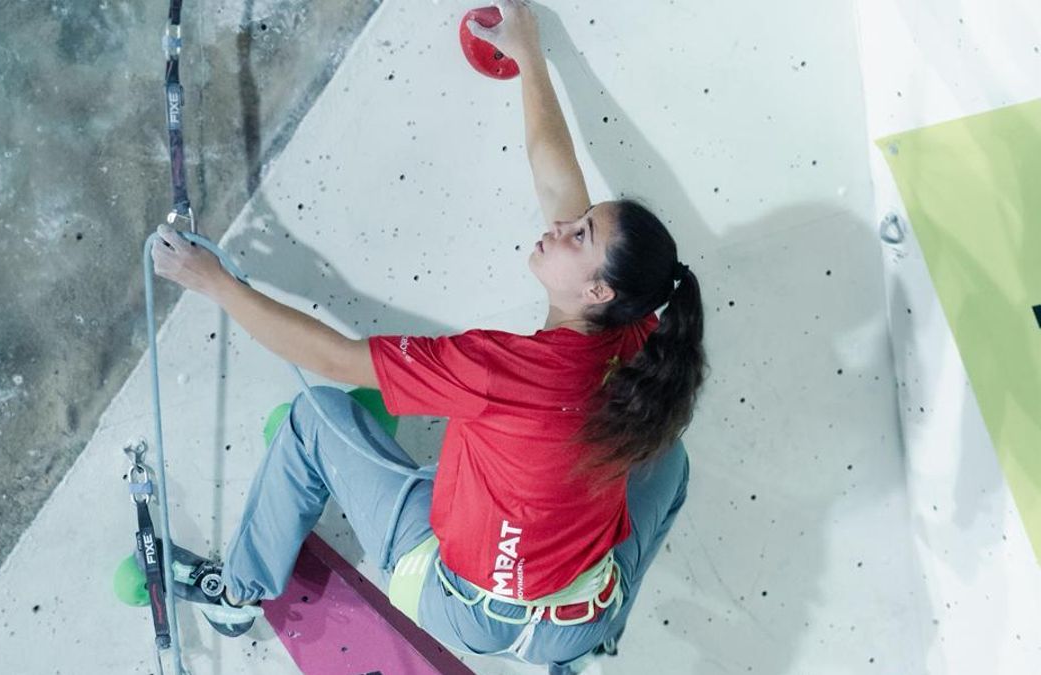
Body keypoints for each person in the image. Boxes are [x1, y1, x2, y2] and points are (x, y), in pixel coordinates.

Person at [150, 0, 704, 669]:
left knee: (315, 418)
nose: (561, 224)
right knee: (668, 464)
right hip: (576, 623)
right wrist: (528, 55)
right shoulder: (638, 330)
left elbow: (337, 358)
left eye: (580, 234)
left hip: (457, 606)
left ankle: (235, 594)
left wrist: (215, 282)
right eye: (579, 219)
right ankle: (596, 644)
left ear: (597, 292)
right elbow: (560, 182)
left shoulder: (502, 369)